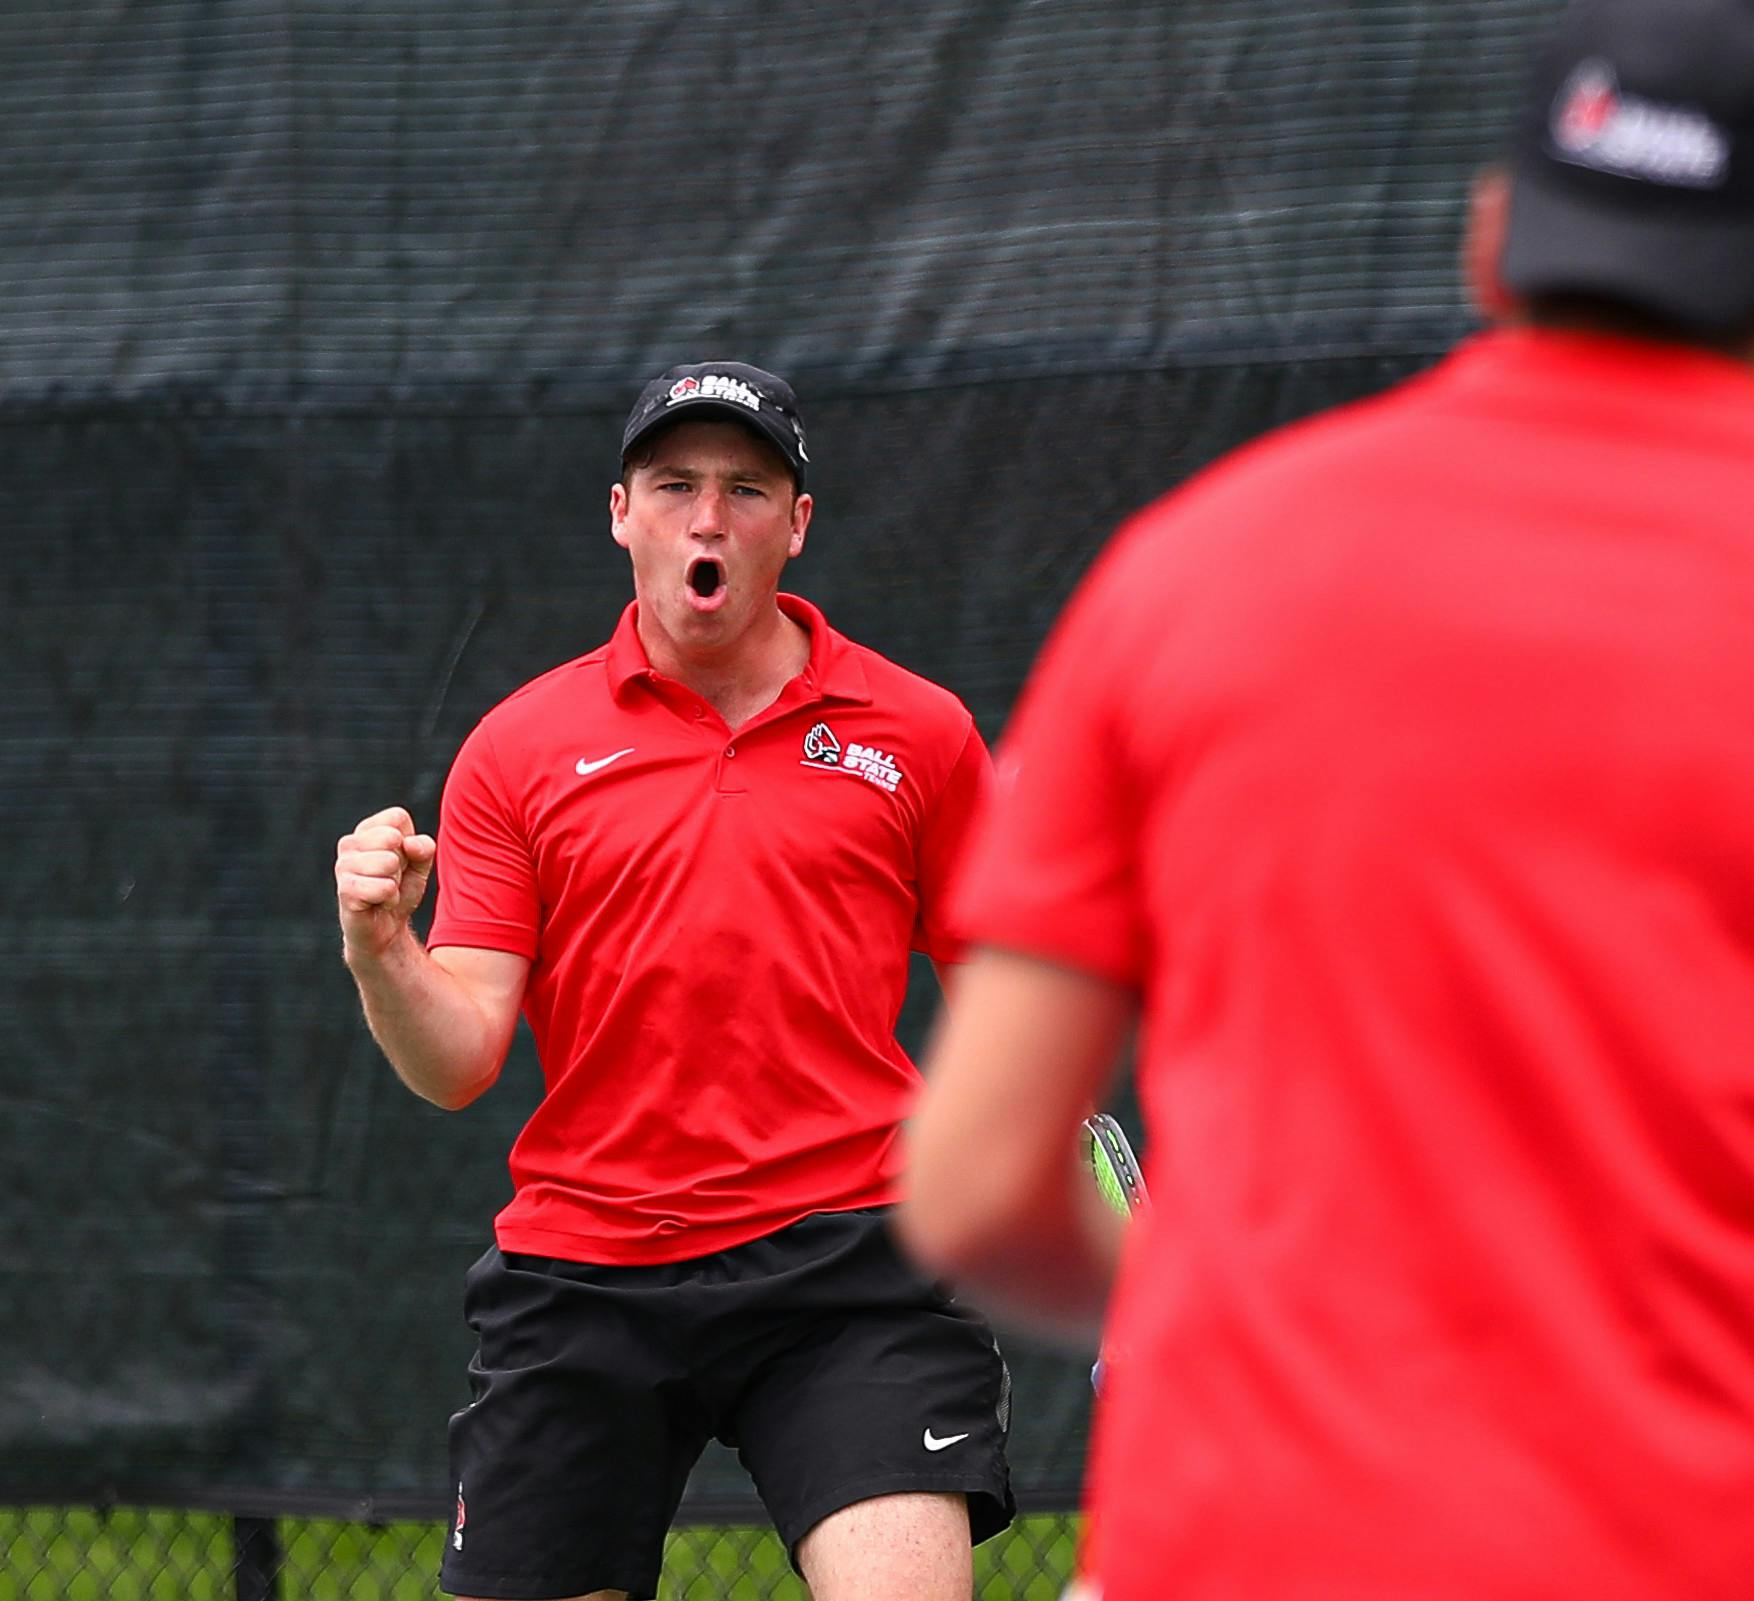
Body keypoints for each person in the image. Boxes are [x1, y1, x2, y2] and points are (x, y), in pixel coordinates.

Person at [900, 2, 1754, 1598]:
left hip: (1244, 1541)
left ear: (1492, 242)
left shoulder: (1188, 572)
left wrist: (1221, 1328)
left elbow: (971, 1181)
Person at [334, 361, 1013, 1601]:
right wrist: (383, 952)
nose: (709, 517)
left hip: (848, 1261)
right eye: (676, 484)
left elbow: (1012, 1007)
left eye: (747, 489)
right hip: (584, 1270)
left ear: (794, 526)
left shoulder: (917, 732)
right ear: (621, 511)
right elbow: (458, 1058)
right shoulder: (517, 748)